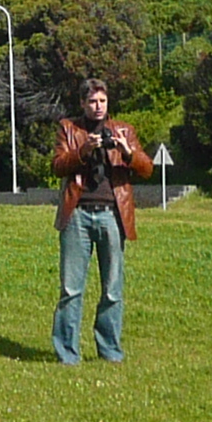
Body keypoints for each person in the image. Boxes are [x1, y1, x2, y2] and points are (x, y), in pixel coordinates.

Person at [50, 78, 152, 365]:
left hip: (112, 215)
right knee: (71, 289)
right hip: (77, 215)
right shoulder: (69, 129)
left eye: (102, 101)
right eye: (92, 101)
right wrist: (83, 151)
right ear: (83, 103)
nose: (98, 107)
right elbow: (57, 166)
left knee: (112, 288)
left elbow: (146, 168)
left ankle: (110, 350)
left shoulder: (123, 130)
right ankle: (67, 353)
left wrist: (126, 152)